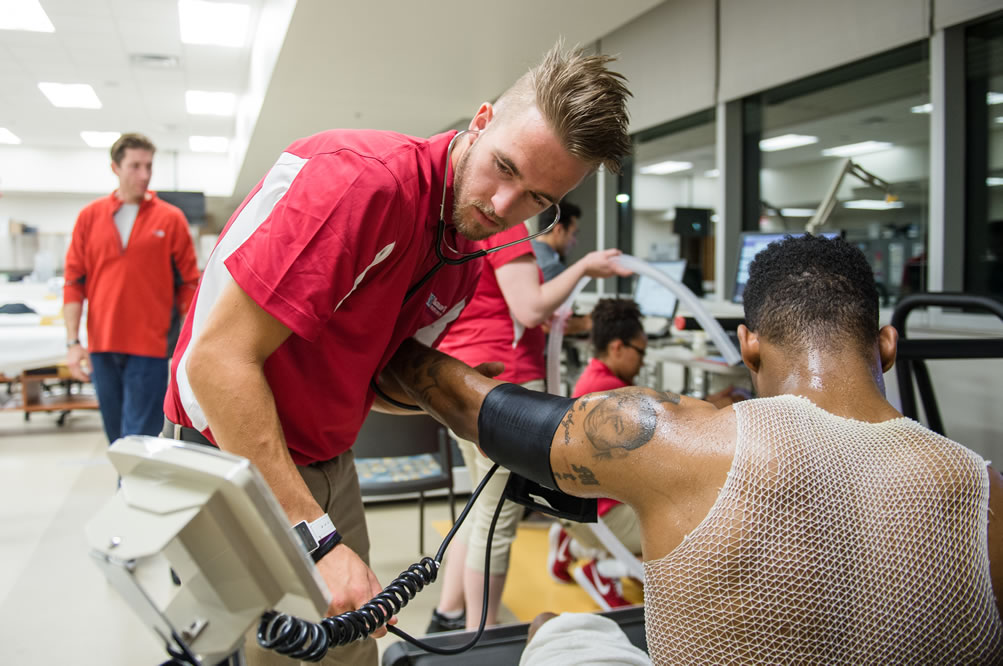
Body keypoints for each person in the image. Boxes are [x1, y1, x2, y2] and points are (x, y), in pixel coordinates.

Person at [162, 42, 632, 666]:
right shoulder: (361, 184)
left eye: (537, 201)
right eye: (506, 168)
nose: (502, 208)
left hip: (325, 457)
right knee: (287, 654)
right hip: (234, 450)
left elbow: (377, 378)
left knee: (352, 651)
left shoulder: (461, 253)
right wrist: (317, 540)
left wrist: (460, 397)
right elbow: (215, 361)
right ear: (482, 119)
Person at [384, 234, 1003, 663]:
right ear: (888, 345)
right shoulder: (984, 488)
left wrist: (383, 339)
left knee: (554, 627)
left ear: (748, 346)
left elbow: (479, 410)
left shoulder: (678, 440)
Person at [426, 223, 631, 633]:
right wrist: (585, 267)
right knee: (497, 517)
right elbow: (530, 309)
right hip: (504, 387)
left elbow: (499, 305)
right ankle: (478, 636)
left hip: (457, 378)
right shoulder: (504, 227)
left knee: (480, 507)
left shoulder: (460, 225)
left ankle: (448, 613)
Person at [63, 132, 199, 445]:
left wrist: (187, 341)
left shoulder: (171, 218)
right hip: (102, 345)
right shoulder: (90, 217)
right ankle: (130, 489)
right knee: (115, 435)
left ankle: (130, 493)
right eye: (135, 166)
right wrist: (72, 341)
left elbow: (189, 284)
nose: (144, 174)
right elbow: (74, 282)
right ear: (115, 167)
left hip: (149, 346)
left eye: (149, 166)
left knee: (138, 436)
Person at [548, 298, 646, 611]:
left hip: (577, 506)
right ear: (618, 347)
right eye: (640, 352)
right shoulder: (614, 396)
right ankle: (603, 571)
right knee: (680, 529)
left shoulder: (594, 376)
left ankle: (573, 547)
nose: (643, 361)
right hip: (599, 513)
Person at [531, 200, 581, 281]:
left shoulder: (522, 253)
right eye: (573, 234)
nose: (575, 242)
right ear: (559, 230)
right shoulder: (552, 267)